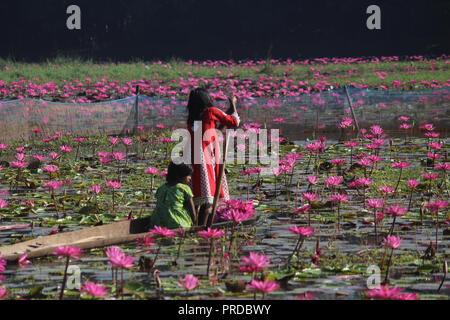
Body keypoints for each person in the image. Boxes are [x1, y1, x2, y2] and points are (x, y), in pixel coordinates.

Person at [186, 88, 240, 226]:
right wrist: (233, 104)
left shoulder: (192, 118)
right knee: (208, 196)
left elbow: (217, 128)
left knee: (198, 195)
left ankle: (196, 223)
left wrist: (227, 111)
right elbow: (234, 122)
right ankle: (204, 228)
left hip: (191, 157)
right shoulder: (210, 112)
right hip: (206, 157)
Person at [149, 162, 197, 229]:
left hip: (157, 224)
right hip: (177, 223)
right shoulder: (184, 188)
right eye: (188, 175)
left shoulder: (161, 188)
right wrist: (195, 226)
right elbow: (192, 212)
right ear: (179, 176)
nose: (190, 178)